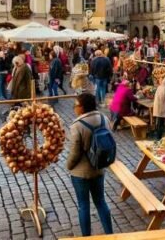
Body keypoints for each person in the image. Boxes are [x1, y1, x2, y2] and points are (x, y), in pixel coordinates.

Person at [67, 93, 114, 237]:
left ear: (82, 107)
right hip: (99, 168)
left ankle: (86, 236)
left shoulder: (77, 126)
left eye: (76, 105)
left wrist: (69, 165)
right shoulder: (104, 119)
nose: (74, 108)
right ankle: (110, 234)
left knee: (83, 206)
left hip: (81, 173)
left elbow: (75, 152)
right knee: (101, 202)